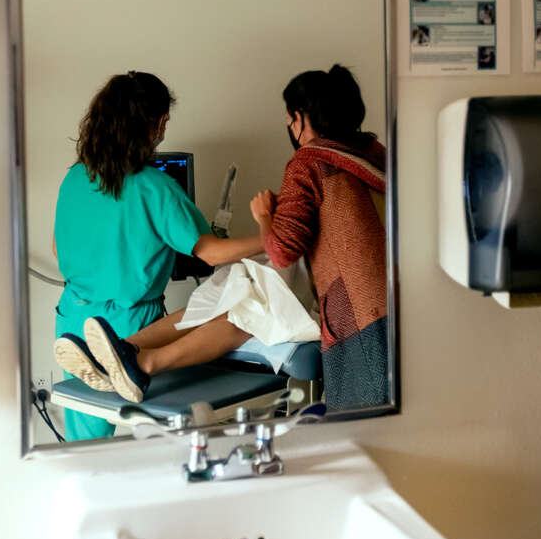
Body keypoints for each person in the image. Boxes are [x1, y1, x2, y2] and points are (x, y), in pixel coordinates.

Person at [50, 72, 263, 440]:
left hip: (73, 319)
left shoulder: (74, 178)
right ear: (158, 123)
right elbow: (211, 253)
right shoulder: (156, 188)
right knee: (152, 437)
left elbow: (58, 249)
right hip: (131, 328)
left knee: (86, 441)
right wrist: (268, 238)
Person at [251, 64, 388, 411]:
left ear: (299, 117)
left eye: (288, 118)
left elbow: (282, 252)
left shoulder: (307, 163)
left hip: (359, 315)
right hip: (407, 304)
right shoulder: (377, 154)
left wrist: (264, 216)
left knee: (363, 423)